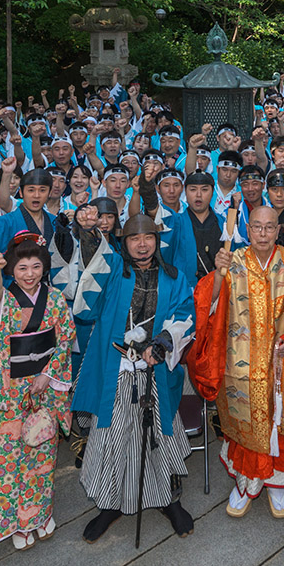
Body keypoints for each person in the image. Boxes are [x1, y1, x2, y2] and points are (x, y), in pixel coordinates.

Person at [72, 214, 197, 542]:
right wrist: (88, 234)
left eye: (148, 239)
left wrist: (164, 342)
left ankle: (168, 500)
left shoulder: (173, 276)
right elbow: (86, 303)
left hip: (154, 369)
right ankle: (110, 504)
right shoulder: (114, 270)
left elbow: (185, 315)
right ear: (124, 243)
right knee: (113, 436)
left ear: (157, 241)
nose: (142, 245)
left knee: (158, 436)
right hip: (117, 368)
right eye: (133, 239)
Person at [191, 205, 284, 518]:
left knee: (279, 421)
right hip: (240, 362)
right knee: (246, 424)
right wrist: (217, 274)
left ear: (278, 230)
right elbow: (209, 304)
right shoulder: (234, 261)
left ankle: (278, 483)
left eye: (269, 227)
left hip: (280, 362)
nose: (263, 233)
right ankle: (246, 483)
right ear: (246, 227)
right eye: (257, 227)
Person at [0, 233, 76, 549]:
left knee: (42, 454)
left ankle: (39, 515)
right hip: (10, 387)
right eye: (22, 268)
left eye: (36, 266)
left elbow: (64, 340)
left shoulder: (56, 299)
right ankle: (17, 524)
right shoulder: (5, 298)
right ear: (13, 270)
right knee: (12, 458)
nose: (30, 274)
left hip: (44, 388)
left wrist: (49, 374)